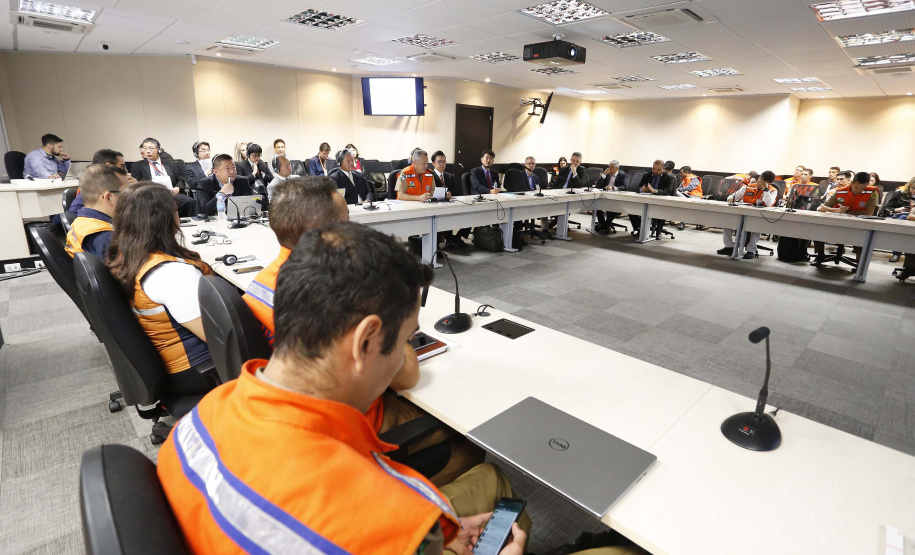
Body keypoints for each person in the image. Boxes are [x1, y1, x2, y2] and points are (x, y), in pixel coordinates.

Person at [158, 221, 643, 555]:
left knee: (490, 483)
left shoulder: (201, 418)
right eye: (406, 339)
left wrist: (439, 537)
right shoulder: (392, 512)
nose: (404, 357)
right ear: (366, 340)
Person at [106, 182, 215, 398]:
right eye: (176, 211)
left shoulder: (123, 256)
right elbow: (218, 335)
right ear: (166, 220)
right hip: (196, 368)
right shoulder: (170, 273)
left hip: (166, 357)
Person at [810, 171, 880, 267]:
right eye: (856, 187)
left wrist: (847, 212)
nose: (858, 190)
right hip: (839, 222)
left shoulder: (872, 192)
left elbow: (869, 212)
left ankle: (860, 262)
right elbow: (822, 208)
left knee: (862, 236)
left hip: (859, 225)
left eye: (862, 188)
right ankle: (820, 255)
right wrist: (837, 210)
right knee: (818, 228)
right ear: (851, 183)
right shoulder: (840, 191)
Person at [64, 164, 127, 258]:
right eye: (127, 193)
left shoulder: (82, 222)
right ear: (109, 198)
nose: (132, 197)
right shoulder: (106, 237)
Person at [717, 170, 779, 259]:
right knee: (727, 223)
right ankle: (729, 246)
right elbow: (731, 197)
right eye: (759, 180)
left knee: (756, 227)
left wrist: (765, 190)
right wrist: (731, 199)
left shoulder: (772, 190)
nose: (759, 183)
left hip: (758, 216)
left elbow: (769, 204)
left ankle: (751, 250)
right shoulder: (748, 187)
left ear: (769, 183)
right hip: (743, 213)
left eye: (762, 182)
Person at [130, 137, 196, 216]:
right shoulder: (137, 165)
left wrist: (177, 187)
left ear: (158, 149)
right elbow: (136, 184)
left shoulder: (169, 163)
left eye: (151, 148)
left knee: (189, 201)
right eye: (145, 148)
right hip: (150, 195)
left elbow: (180, 179)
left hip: (171, 194)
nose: (147, 151)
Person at [68, 149, 136, 214]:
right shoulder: (94, 186)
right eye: (122, 167)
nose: (126, 171)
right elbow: (73, 213)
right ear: (109, 166)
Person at [431, 151, 469, 248]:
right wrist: (444, 194)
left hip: (449, 202)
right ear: (433, 163)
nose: (442, 164)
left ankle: (452, 238)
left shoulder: (449, 176)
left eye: (444, 162)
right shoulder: (430, 176)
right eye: (439, 162)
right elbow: (431, 191)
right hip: (435, 205)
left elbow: (457, 190)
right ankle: (444, 241)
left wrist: (449, 193)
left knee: (468, 212)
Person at [628, 159, 677, 234]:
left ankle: (658, 231)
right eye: (653, 169)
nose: (655, 171)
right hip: (646, 200)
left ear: (663, 169)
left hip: (661, 202)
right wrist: (642, 189)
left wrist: (655, 191)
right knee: (631, 209)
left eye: (658, 170)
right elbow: (637, 187)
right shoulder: (647, 175)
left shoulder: (669, 177)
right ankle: (640, 229)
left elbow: (668, 191)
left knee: (659, 211)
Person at [594, 160, 628, 233]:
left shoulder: (623, 175)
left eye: (612, 167)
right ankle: (604, 224)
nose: (610, 169)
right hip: (605, 197)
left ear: (617, 168)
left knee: (613, 207)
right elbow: (598, 186)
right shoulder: (607, 175)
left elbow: (625, 187)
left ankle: (604, 225)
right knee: (595, 205)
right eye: (609, 167)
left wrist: (613, 188)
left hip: (616, 198)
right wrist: (603, 175)